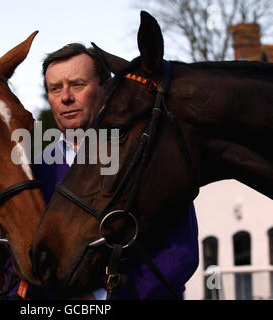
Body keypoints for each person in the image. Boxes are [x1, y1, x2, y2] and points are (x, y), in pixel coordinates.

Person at [32, 43, 199, 299]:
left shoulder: (148, 157)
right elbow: (26, 254)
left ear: (106, 88)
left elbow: (180, 252)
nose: (65, 97)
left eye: (77, 84)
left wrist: (104, 299)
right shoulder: (37, 170)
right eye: (55, 88)